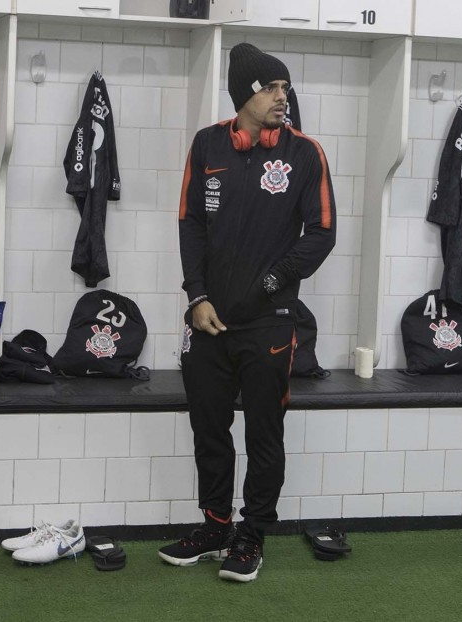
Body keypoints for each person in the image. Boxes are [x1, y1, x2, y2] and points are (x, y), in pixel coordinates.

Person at [159, 43, 336, 583]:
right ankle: (215, 525)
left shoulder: (305, 154)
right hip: (208, 321)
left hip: (269, 322)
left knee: (264, 431)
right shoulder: (207, 144)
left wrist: (272, 281)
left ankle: (252, 533)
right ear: (245, 95)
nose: (283, 97)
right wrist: (196, 295)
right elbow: (190, 222)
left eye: (285, 87)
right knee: (208, 428)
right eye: (271, 88)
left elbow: (323, 232)